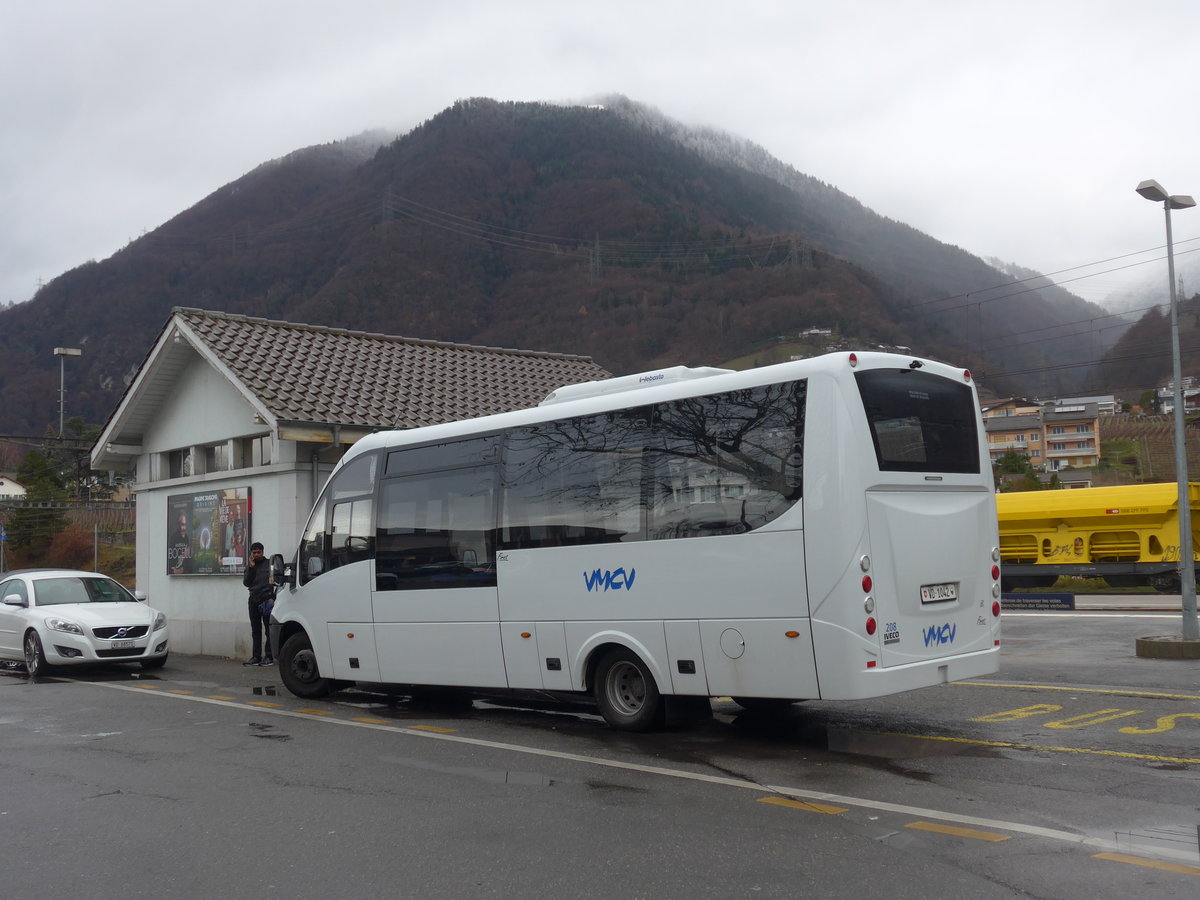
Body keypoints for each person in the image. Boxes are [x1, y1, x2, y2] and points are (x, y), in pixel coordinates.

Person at [241, 542, 276, 666]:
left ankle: (269, 656)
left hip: (267, 600)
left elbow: (276, 583)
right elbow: (246, 583)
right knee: (256, 630)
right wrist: (251, 568)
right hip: (253, 600)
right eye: (254, 553)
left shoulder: (269, 565)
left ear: (262, 552)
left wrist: (273, 598)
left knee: (268, 630)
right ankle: (256, 657)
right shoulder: (250, 566)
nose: (256, 555)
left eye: (258, 552)